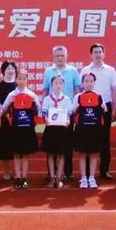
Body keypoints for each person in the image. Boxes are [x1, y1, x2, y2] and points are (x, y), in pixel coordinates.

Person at [43, 45, 82, 181]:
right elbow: (45, 90)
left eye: (62, 55)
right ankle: (51, 173)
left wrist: (75, 111)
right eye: (57, 55)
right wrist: (45, 111)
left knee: (67, 144)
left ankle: (67, 172)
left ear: (66, 56)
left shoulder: (73, 71)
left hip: (67, 112)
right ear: (54, 57)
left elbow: (77, 90)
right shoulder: (48, 71)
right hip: (52, 115)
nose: (60, 58)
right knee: (51, 146)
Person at [80, 43, 116, 180]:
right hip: (87, 108)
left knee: (104, 139)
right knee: (89, 138)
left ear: (104, 54)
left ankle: (104, 170)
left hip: (104, 107)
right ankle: (88, 172)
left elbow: (114, 90)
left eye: (100, 52)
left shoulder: (110, 70)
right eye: (95, 52)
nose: (97, 54)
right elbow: (81, 90)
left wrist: (113, 109)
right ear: (91, 55)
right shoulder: (85, 70)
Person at [0, 69, 39, 189]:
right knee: (16, 154)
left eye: (24, 78)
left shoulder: (32, 95)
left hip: (27, 129)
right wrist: (8, 116)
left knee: (26, 154)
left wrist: (34, 108)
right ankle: (17, 177)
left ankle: (24, 178)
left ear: (27, 80)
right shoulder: (11, 95)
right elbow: (2, 109)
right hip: (15, 129)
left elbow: (39, 110)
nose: (21, 81)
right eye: (19, 78)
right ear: (16, 80)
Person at [72, 72, 104, 189]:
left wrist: (101, 107)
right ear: (82, 83)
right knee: (82, 154)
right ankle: (83, 178)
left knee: (93, 154)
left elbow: (104, 109)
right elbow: (72, 111)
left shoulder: (98, 96)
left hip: (94, 129)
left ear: (94, 82)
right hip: (82, 129)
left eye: (91, 81)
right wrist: (76, 107)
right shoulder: (78, 96)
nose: (89, 83)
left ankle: (92, 177)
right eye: (86, 81)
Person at [41, 75, 73, 188]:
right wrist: (46, 120)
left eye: (60, 83)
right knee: (50, 154)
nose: (58, 85)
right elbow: (44, 113)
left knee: (62, 154)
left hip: (62, 130)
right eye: (55, 83)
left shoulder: (66, 99)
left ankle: (59, 178)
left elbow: (69, 114)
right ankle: (52, 177)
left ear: (63, 85)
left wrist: (68, 121)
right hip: (51, 129)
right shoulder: (47, 99)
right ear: (51, 85)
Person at [0, 61, 18, 181]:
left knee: (17, 146)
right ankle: (6, 171)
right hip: (4, 121)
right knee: (4, 147)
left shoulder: (18, 86)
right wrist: (5, 114)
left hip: (17, 121)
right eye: (8, 69)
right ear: (3, 71)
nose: (10, 71)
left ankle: (16, 171)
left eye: (12, 68)